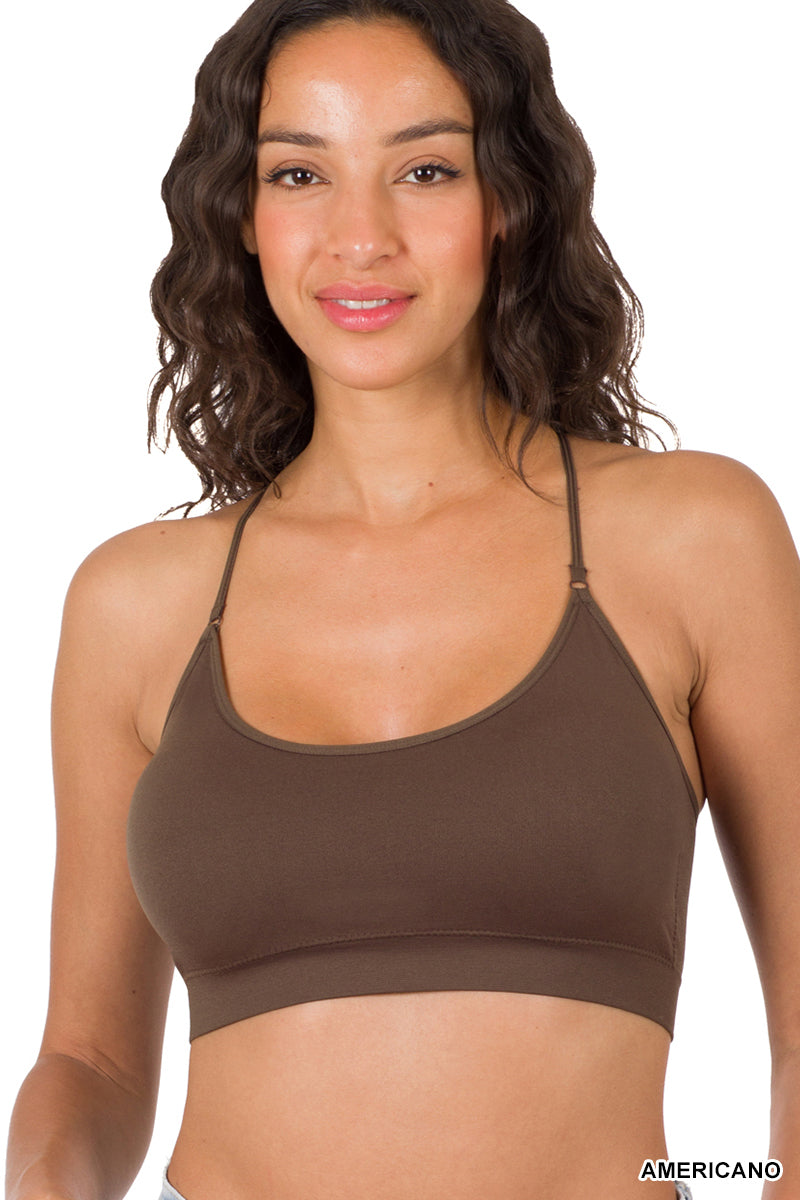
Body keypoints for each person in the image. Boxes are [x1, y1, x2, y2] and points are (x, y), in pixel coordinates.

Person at [5, 0, 799, 1198]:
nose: (359, 236)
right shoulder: (136, 602)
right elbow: (91, 1061)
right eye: (299, 174)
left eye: (424, 170)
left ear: (508, 202)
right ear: (243, 218)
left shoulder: (691, 537)